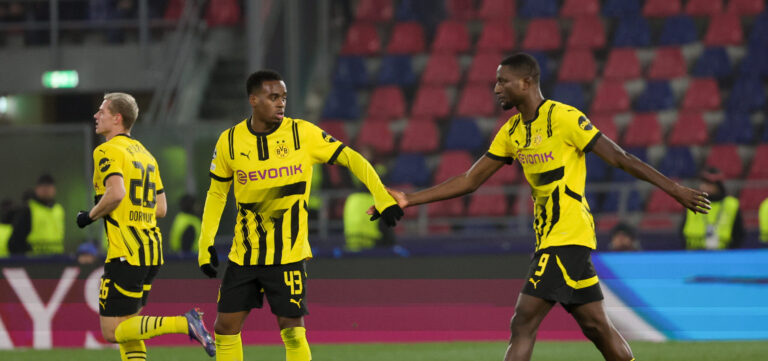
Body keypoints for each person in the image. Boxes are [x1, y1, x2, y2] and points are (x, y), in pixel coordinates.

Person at [373, 53, 711, 361]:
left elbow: (620, 158)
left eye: (502, 81)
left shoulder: (564, 118)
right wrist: (409, 198)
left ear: (527, 82)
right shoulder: (512, 132)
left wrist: (674, 189)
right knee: (597, 327)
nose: (496, 88)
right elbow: (470, 179)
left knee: (523, 321)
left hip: (567, 236)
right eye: (496, 81)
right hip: (551, 238)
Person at [197, 70, 403, 361]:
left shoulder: (302, 133)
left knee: (292, 329)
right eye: (273, 97)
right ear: (253, 100)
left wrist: (381, 195)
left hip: (288, 254)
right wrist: (205, 243)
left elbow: (350, 157)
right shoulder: (229, 141)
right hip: (244, 255)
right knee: (225, 328)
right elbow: (216, 194)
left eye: (283, 97)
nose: (281, 103)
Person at [76, 92, 215, 361]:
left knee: (112, 331)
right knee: (130, 328)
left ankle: (184, 322)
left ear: (117, 118)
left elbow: (116, 193)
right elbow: (161, 208)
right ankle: (184, 323)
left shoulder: (106, 150)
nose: (96, 115)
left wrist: (89, 216)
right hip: (151, 251)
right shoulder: (146, 155)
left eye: (102, 111)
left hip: (126, 252)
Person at [682, 167, 743, 250]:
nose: (704, 186)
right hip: (693, 252)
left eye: (709, 183)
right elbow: (682, 228)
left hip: (723, 253)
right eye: (703, 182)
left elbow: (739, 233)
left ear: (719, 185)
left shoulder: (731, 204)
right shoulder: (693, 201)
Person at [8, 174, 65, 256]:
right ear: (36, 189)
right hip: (34, 261)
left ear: (54, 189)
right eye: (43, 187)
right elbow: (15, 241)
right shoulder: (28, 209)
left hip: (56, 259)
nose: (46, 190)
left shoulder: (59, 210)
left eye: (49, 187)